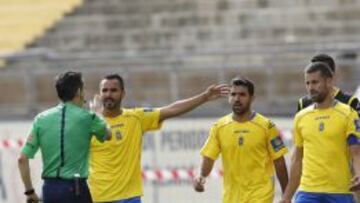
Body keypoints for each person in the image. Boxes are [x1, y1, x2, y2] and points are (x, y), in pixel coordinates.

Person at [88, 74, 229, 203]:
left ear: (123, 93)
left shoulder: (136, 117)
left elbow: (171, 109)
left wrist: (204, 97)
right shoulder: (89, 122)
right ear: (100, 94)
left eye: (113, 90)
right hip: (100, 197)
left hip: (129, 197)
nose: (108, 94)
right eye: (104, 91)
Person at [18, 71, 111, 203]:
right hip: (75, 190)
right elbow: (108, 135)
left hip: (50, 190)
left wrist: (30, 192)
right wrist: (98, 114)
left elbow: (22, 159)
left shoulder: (41, 119)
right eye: (83, 89)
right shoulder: (88, 118)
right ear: (79, 91)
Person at [193, 76, 289, 203]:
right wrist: (201, 176)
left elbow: (279, 162)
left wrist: (286, 196)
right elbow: (209, 158)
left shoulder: (267, 126)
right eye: (233, 94)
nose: (237, 99)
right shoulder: (219, 127)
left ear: (252, 98)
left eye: (242, 95)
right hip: (231, 198)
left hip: (260, 196)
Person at [280, 62, 360, 203]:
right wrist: (287, 197)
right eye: (308, 83)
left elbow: (356, 153)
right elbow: (297, 160)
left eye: (315, 82)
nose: (310, 87)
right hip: (308, 192)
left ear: (329, 81)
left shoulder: (348, 114)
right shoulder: (301, 117)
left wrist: (359, 174)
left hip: (340, 191)